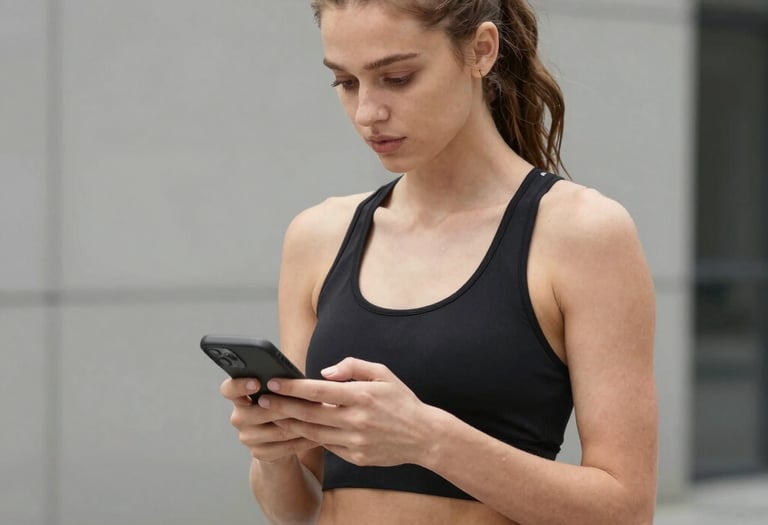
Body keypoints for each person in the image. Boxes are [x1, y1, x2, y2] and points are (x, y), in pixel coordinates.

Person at [220, 0, 658, 523]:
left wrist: (428, 440)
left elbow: (626, 511)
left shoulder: (581, 233)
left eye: (397, 78)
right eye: (346, 82)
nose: (367, 113)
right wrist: (272, 454)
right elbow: (298, 510)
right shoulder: (318, 236)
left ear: (481, 51)